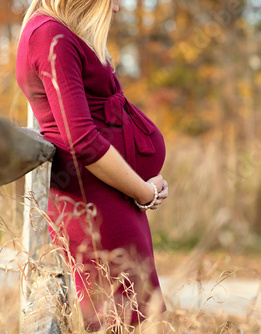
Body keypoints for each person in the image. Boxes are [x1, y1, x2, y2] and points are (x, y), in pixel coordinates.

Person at [15, 0, 169, 331]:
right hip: (94, 207)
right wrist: (144, 191)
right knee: (113, 322)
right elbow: (82, 140)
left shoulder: (63, 35)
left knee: (127, 320)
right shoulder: (50, 37)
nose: (115, 9)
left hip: (111, 200)